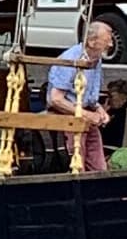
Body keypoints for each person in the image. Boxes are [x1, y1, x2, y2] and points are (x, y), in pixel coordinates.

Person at [45, 18, 117, 173]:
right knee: (78, 163)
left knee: (99, 166)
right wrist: (87, 115)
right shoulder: (71, 59)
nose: (111, 45)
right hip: (68, 117)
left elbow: (89, 96)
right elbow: (56, 99)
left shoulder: (96, 59)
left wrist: (99, 110)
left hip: (85, 115)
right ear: (91, 42)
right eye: (107, 41)